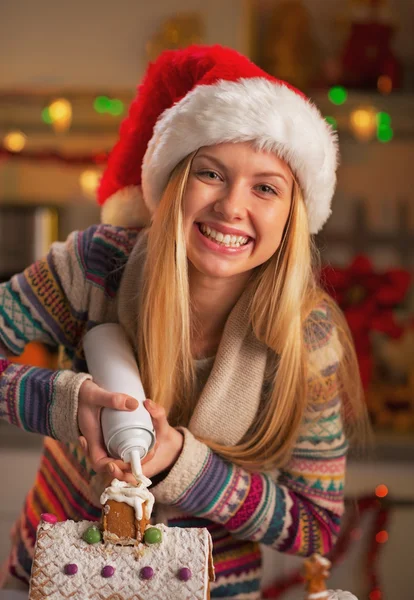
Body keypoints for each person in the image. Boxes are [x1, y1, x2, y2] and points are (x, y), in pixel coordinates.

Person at [0, 45, 368, 598]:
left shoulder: (306, 337)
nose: (231, 206)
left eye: (265, 187)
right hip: (54, 579)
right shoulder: (96, 268)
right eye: (211, 174)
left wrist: (182, 464)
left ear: (293, 214)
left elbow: (316, 524)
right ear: (175, 183)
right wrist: (63, 401)